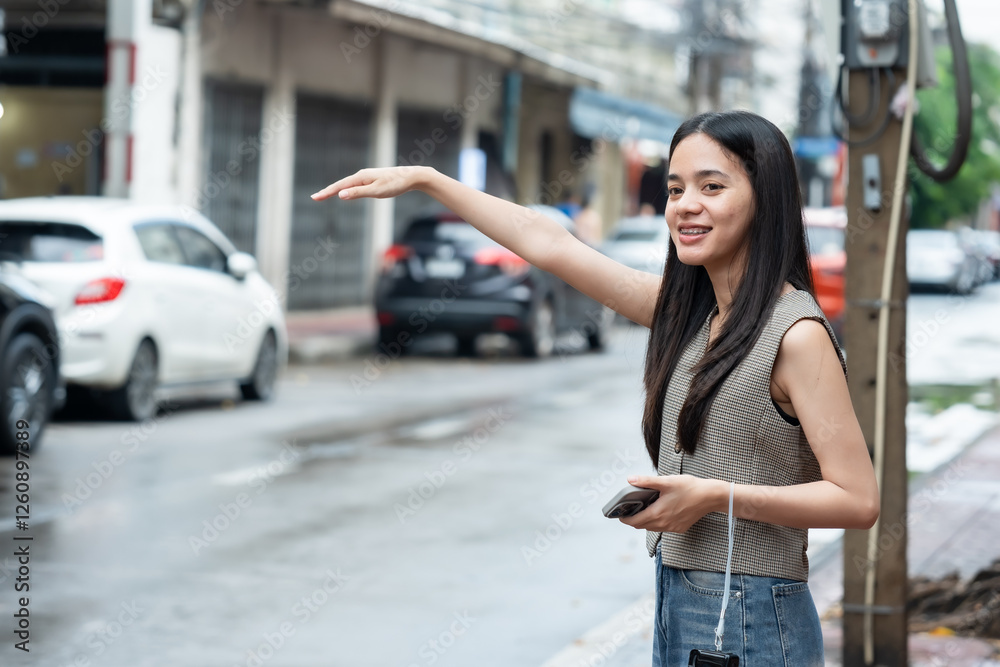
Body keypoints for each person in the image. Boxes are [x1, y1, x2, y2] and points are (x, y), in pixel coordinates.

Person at [311, 110, 879, 666]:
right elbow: (550, 243)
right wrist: (430, 181)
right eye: (676, 189)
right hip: (683, 603)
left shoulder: (796, 335)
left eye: (712, 186)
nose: (686, 206)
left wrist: (715, 497)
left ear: (765, 199)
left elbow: (858, 499)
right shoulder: (688, 314)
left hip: (756, 617)